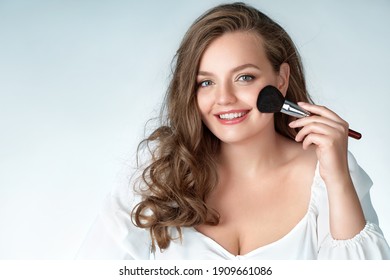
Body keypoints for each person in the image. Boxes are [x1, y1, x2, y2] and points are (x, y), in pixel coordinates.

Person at [76, 2, 390, 259]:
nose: (224, 98)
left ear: (280, 79)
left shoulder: (329, 175)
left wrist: (336, 175)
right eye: (206, 82)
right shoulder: (158, 172)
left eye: (244, 78)